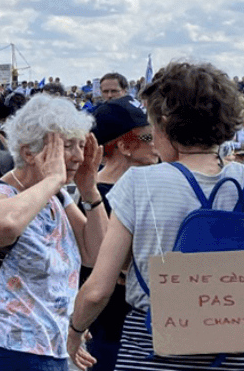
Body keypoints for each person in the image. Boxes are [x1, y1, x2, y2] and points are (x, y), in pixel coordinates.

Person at [68, 61, 244, 371]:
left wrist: (75, 333)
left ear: (165, 123)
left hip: (154, 359)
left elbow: (97, 290)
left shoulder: (139, 184)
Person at [0, 94, 105, 371]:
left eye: (81, 145)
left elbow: (96, 253)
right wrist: (54, 178)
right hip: (11, 347)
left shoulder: (57, 198)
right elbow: (5, 227)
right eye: (66, 146)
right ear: (29, 152)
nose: (79, 157)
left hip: (49, 346)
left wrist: (90, 190)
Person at [77, 97, 158, 371]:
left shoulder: (157, 187)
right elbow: (104, 267)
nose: (156, 143)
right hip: (111, 325)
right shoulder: (94, 195)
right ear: (123, 145)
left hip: (152, 324)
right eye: (148, 136)